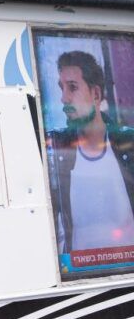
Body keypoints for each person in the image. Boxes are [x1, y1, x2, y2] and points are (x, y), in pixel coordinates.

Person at [47, 50, 134, 253]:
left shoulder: (128, 144)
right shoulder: (56, 148)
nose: (64, 98)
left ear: (95, 94)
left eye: (73, 87)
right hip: (78, 268)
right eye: (61, 88)